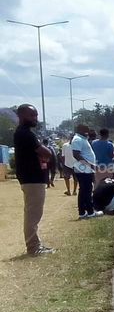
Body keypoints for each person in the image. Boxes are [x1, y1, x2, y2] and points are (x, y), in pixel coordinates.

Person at [13, 104, 55, 255]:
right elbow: (46, 153)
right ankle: (33, 248)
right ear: (23, 116)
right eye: (32, 115)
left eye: (36, 115)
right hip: (32, 178)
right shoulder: (25, 134)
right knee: (33, 214)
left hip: (32, 178)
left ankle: (34, 245)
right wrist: (46, 152)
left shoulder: (25, 133)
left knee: (33, 213)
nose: (35, 118)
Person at [71, 124, 100, 219]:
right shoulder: (77, 139)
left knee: (84, 191)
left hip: (86, 169)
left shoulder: (82, 139)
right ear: (81, 130)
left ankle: (83, 212)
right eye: (86, 129)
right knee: (86, 191)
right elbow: (76, 154)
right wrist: (89, 164)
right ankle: (90, 212)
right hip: (83, 169)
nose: (88, 131)